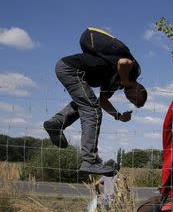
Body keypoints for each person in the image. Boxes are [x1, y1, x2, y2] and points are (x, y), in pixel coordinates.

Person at [44, 27, 148, 175]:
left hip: (69, 69)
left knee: (88, 102)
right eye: (135, 99)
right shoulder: (133, 72)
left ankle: (57, 123)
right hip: (70, 69)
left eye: (133, 102)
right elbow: (125, 62)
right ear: (140, 89)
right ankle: (89, 161)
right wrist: (126, 81)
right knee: (92, 110)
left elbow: (103, 101)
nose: (130, 99)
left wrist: (118, 116)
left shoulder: (114, 83)